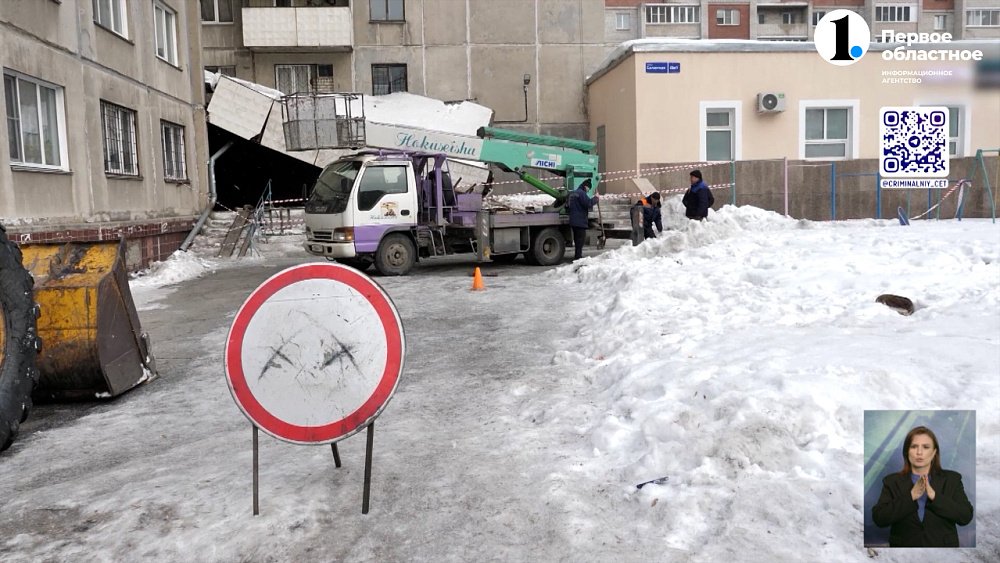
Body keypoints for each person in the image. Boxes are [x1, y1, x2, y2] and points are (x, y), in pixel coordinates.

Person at [872, 426, 974, 547]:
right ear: (906, 451)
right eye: (914, 446)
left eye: (926, 447)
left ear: (934, 452)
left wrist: (935, 497)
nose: (919, 452)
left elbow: (965, 516)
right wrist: (911, 496)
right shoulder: (891, 481)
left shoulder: (952, 479)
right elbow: (880, 519)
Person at [566, 179, 599, 261]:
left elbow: (567, 205)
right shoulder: (581, 193)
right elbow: (588, 203)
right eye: (589, 188)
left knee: (577, 240)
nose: (588, 190)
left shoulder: (573, 193)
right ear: (586, 186)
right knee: (580, 240)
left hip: (573, 220)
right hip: (580, 221)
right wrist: (596, 198)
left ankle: (577, 256)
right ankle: (578, 257)